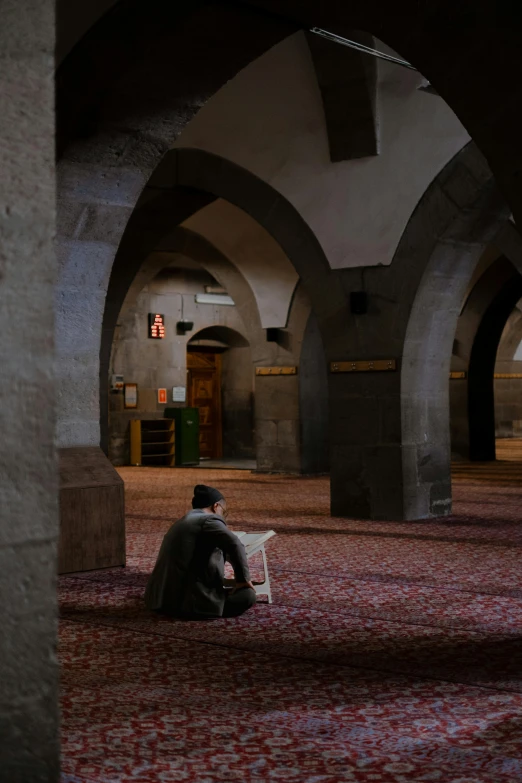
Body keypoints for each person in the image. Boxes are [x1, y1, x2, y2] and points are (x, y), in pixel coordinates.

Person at [144, 484, 257, 619]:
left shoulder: (185, 520)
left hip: (159, 599)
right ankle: (207, 607)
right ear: (216, 506)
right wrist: (243, 579)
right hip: (190, 604)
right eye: (223, 511)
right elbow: (235, 544)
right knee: (248, 595)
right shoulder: (209, 520)